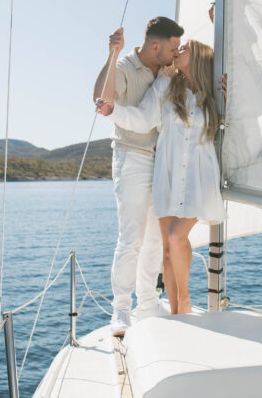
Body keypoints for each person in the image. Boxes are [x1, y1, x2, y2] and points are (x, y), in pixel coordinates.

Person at [96, 40, 224, 315]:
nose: (178, 52)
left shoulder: (214, 90)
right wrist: (113, 111)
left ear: (200, 56)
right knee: (168, 248)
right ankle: (179, 312)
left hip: (198, 177)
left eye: (185, 48)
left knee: (178, 238)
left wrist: (231, 95)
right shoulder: (166, 86)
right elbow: (143, 119)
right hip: (168, 174)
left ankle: (185, 301)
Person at [93, 16, 184, 336]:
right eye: (172, 48)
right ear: (155, 46)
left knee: (155, 239)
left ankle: (147, 302)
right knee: (131, 238)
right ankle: (120, 309)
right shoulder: (127, 67)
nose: (176, 53)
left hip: (161, 162)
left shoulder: (167, 70)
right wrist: (112, 55)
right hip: (132, 158)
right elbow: (102, 98)